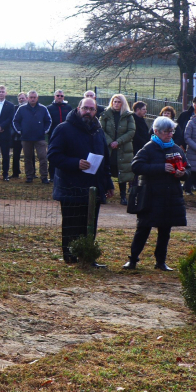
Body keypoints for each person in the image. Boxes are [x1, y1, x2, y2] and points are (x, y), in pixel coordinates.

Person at [47, 97, 114, 266]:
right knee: (72, 224)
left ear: (96, 111)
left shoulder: (98, 131)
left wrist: (108, 183)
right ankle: (71, 257)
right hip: (70, 187)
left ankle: (87, 257)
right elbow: (53, 156)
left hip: (93, 187)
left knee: (89, 224)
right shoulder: (63, 129)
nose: (88, 112)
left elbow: (104, 160)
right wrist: (75, 163)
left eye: (92, 109)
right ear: (78, 108)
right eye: (85, 108)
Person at [123, 116, 188, 271]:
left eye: (171, 131)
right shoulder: (148, 148)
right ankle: (132, 259)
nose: (170, 134)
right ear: (156, 131)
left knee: (165, 231)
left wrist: (183, 174)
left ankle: (161, 261)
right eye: (166, 132)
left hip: (170, 197)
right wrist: (161, 167)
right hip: (150, 197)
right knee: (143, 229)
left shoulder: (177, 150)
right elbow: (136, 166)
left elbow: (188, 169)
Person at [99, 94, 136, 205]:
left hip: (123, 148)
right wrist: (110, 142)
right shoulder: (105, 115)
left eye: (119, 102)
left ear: (123, 103)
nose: (116, 104)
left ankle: (123, 196)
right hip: (108, 148)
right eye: (114, 101)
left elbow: (131, 132)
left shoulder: (128, 116)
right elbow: (101, 130)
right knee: (106, 171)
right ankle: (104, 194)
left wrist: (118, 142)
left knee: (122, 172)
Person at [12, 91, 52, 183]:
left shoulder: (43, 108)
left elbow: (48, 121)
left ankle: (44, 177)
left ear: (37, 98)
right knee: (27, 158)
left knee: (43, 157)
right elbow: (15, 121)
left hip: (40, 138)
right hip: (26, 138)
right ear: (28, 98)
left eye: (34, 97)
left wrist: (44, 131)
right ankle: (29, 176)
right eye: (31, 97)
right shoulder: (21, 109)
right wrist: (20, 131)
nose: (33, 99)